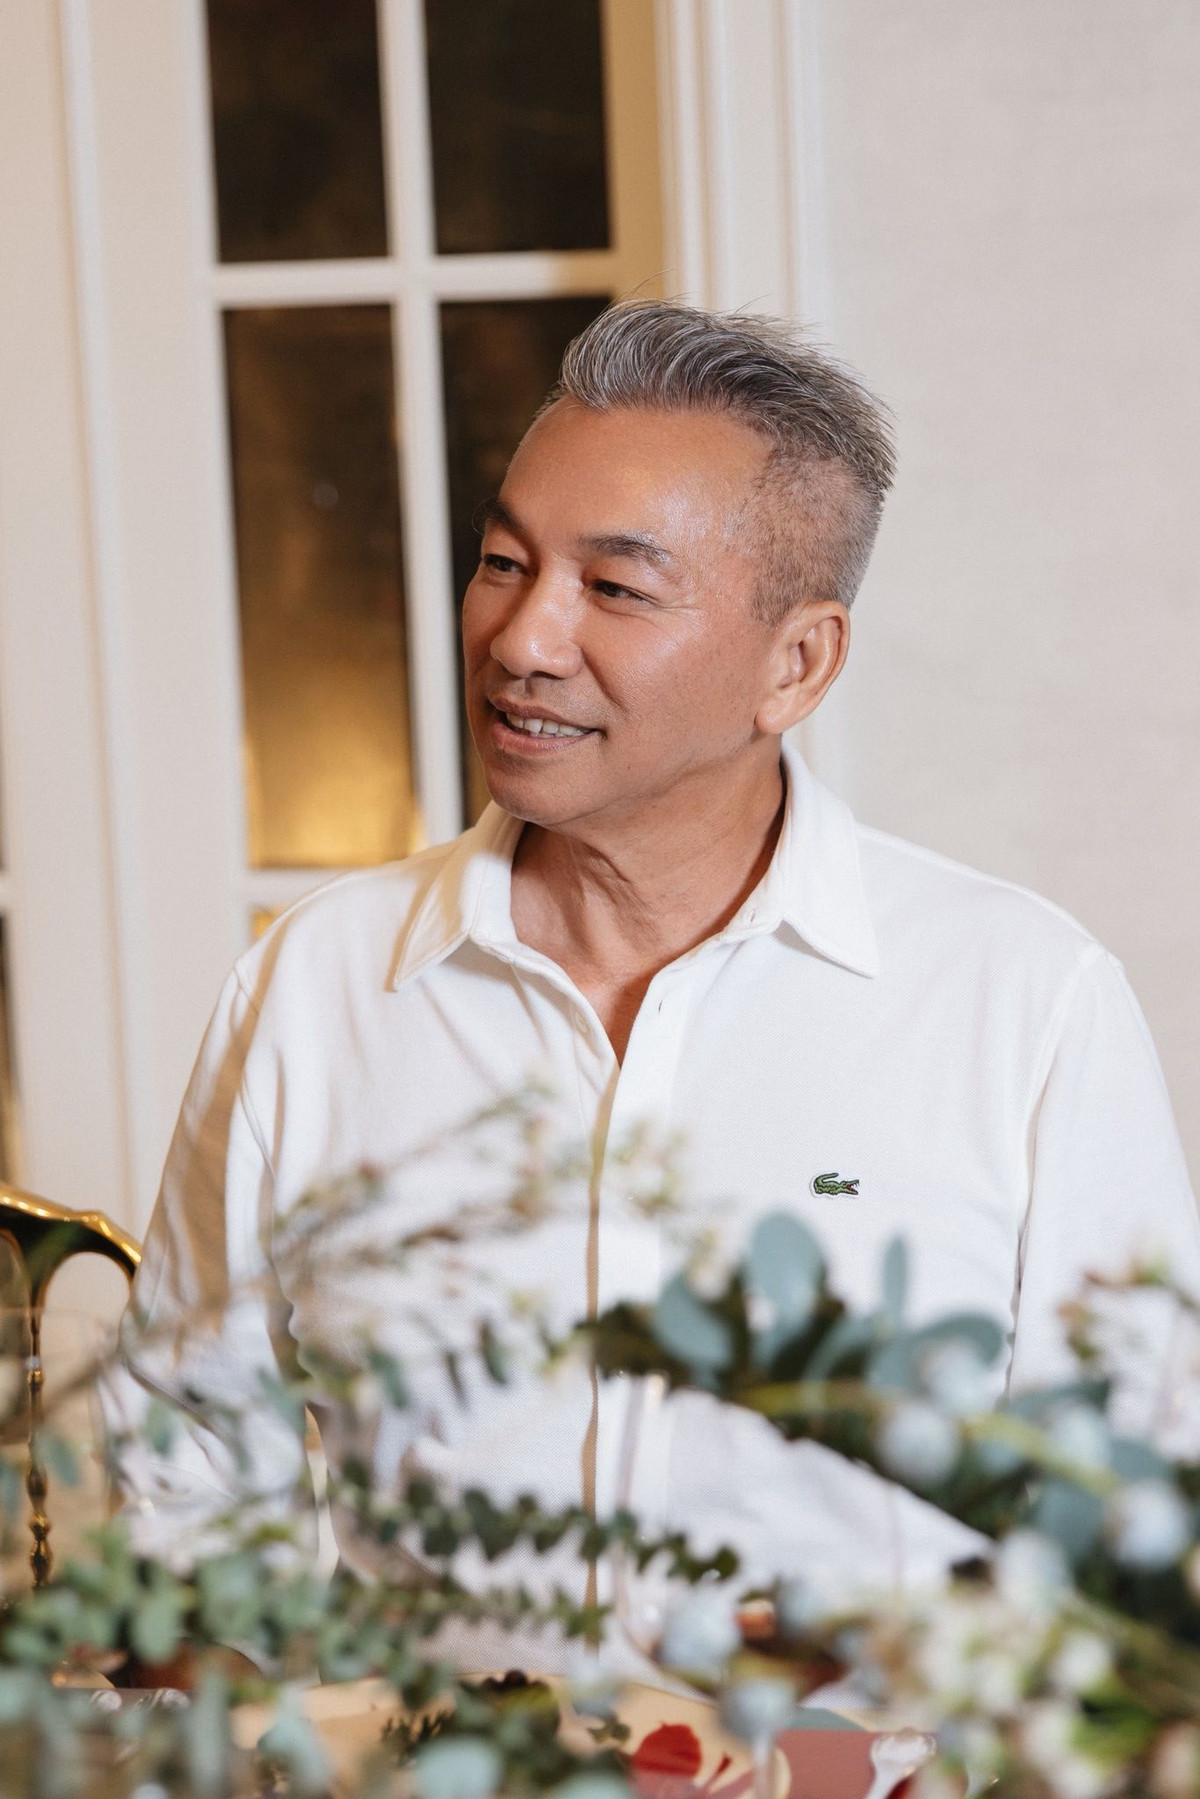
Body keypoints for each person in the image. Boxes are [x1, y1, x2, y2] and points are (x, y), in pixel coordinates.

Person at [109, 301, 1200, 1675]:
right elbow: (192, 1472)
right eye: (504, 562)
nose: (523, 639)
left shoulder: (1024, 1004)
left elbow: (1132, 1523)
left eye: (615, 589)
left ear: (796, 663)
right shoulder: (313, 988)